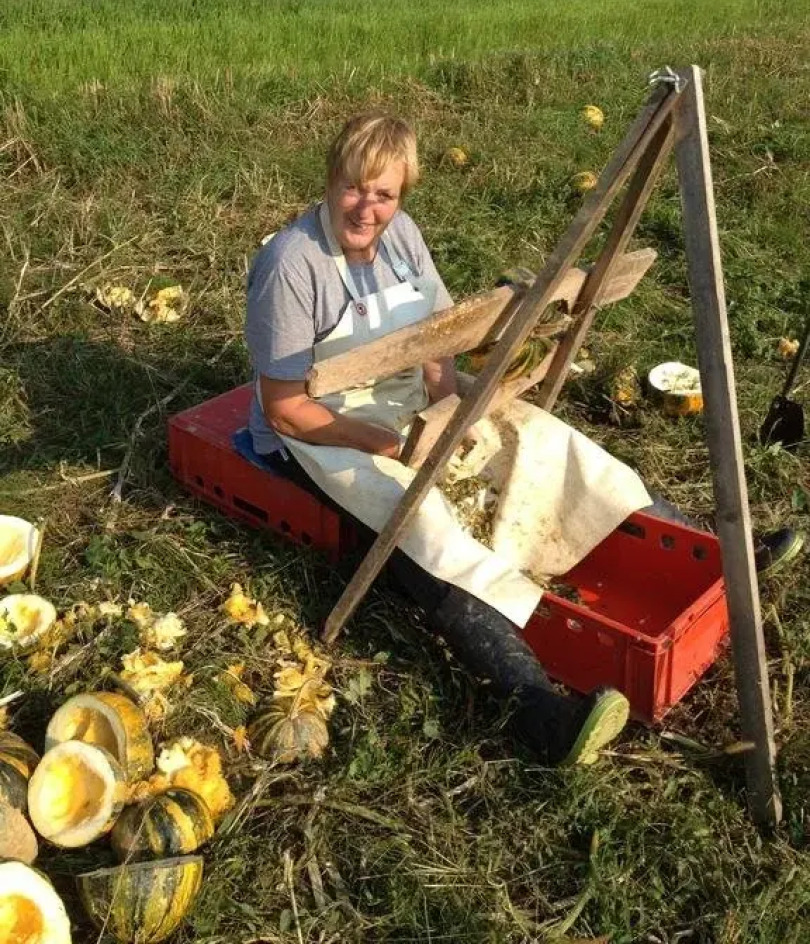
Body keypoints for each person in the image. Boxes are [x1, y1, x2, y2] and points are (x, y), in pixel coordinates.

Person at [244, 113, 799, 766]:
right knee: (423, 525)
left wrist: (452, 405)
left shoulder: (403, 238)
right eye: (353, 188)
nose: (368, 208)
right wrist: (384, 445)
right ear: (330, 179)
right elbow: (284, 409)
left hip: (407, 407)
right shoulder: (292, 264)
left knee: (548, 440)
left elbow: (438, 337)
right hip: (325, 429)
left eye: (385, 194)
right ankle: (540, 713)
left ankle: (717, 552)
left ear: (403, 196)